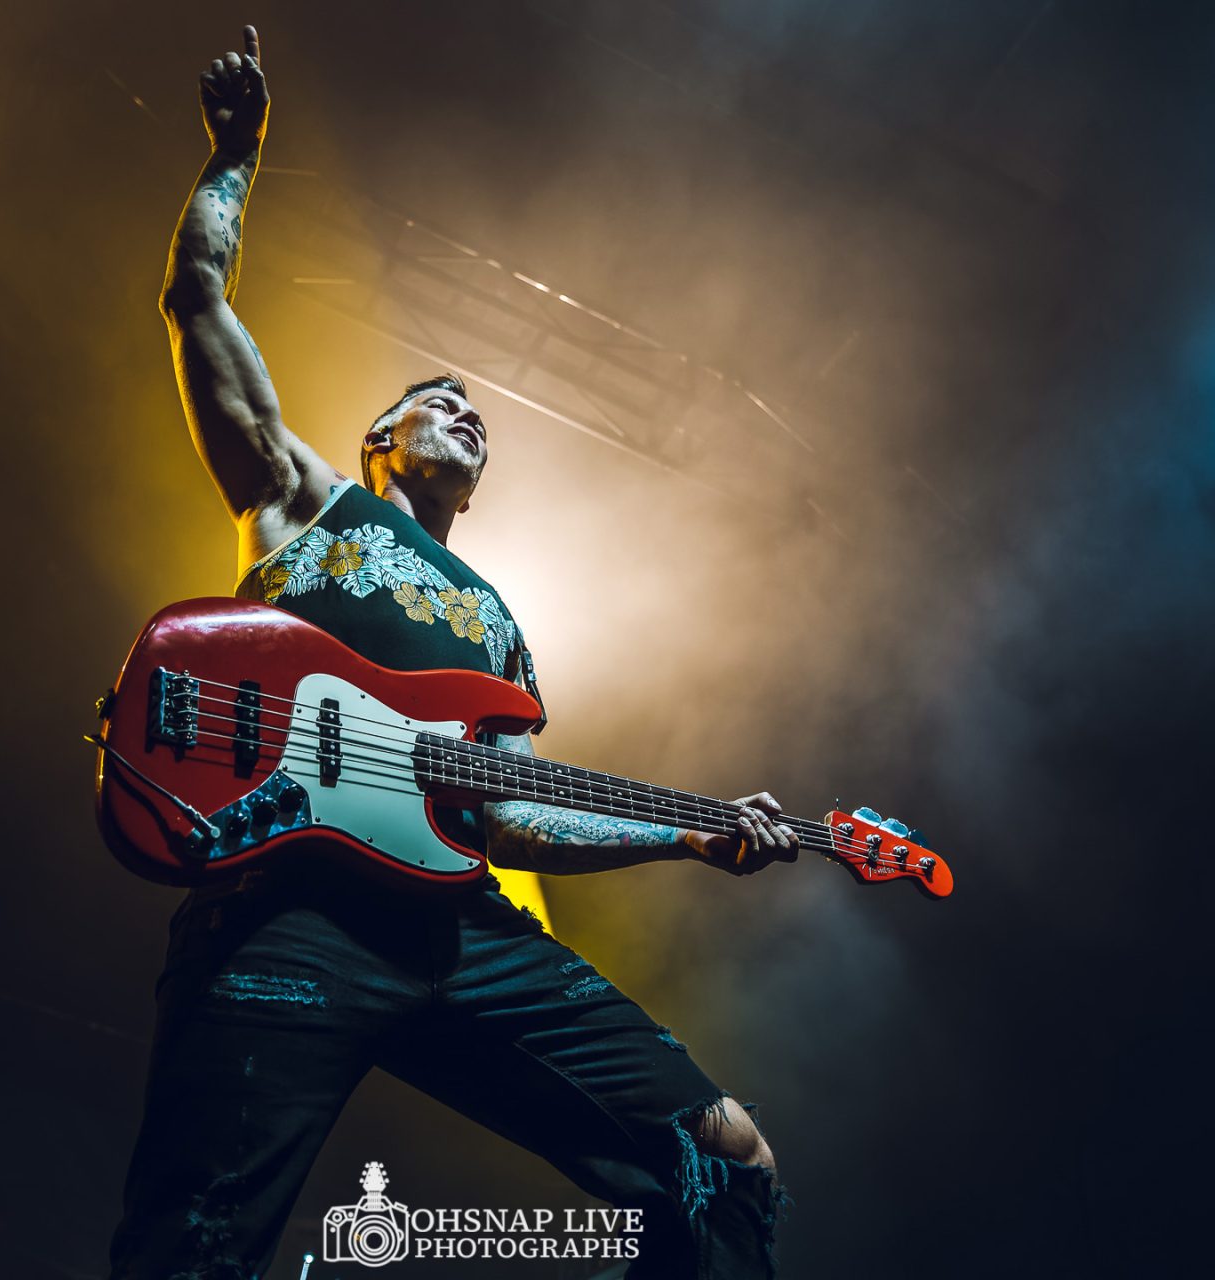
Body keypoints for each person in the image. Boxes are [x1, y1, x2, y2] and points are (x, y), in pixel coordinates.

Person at [108, 26, 799, 1279]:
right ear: (379, 438)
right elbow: (196, 299)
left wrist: (690, 835)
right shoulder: (310, 502)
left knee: (726, 1154)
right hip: (289, 909)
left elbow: (513, 817)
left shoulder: (499, 630)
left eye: (481, 415)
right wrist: (234, 159)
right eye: (441, 400)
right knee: (192, 1245)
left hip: (456, 927)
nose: (471, 412)